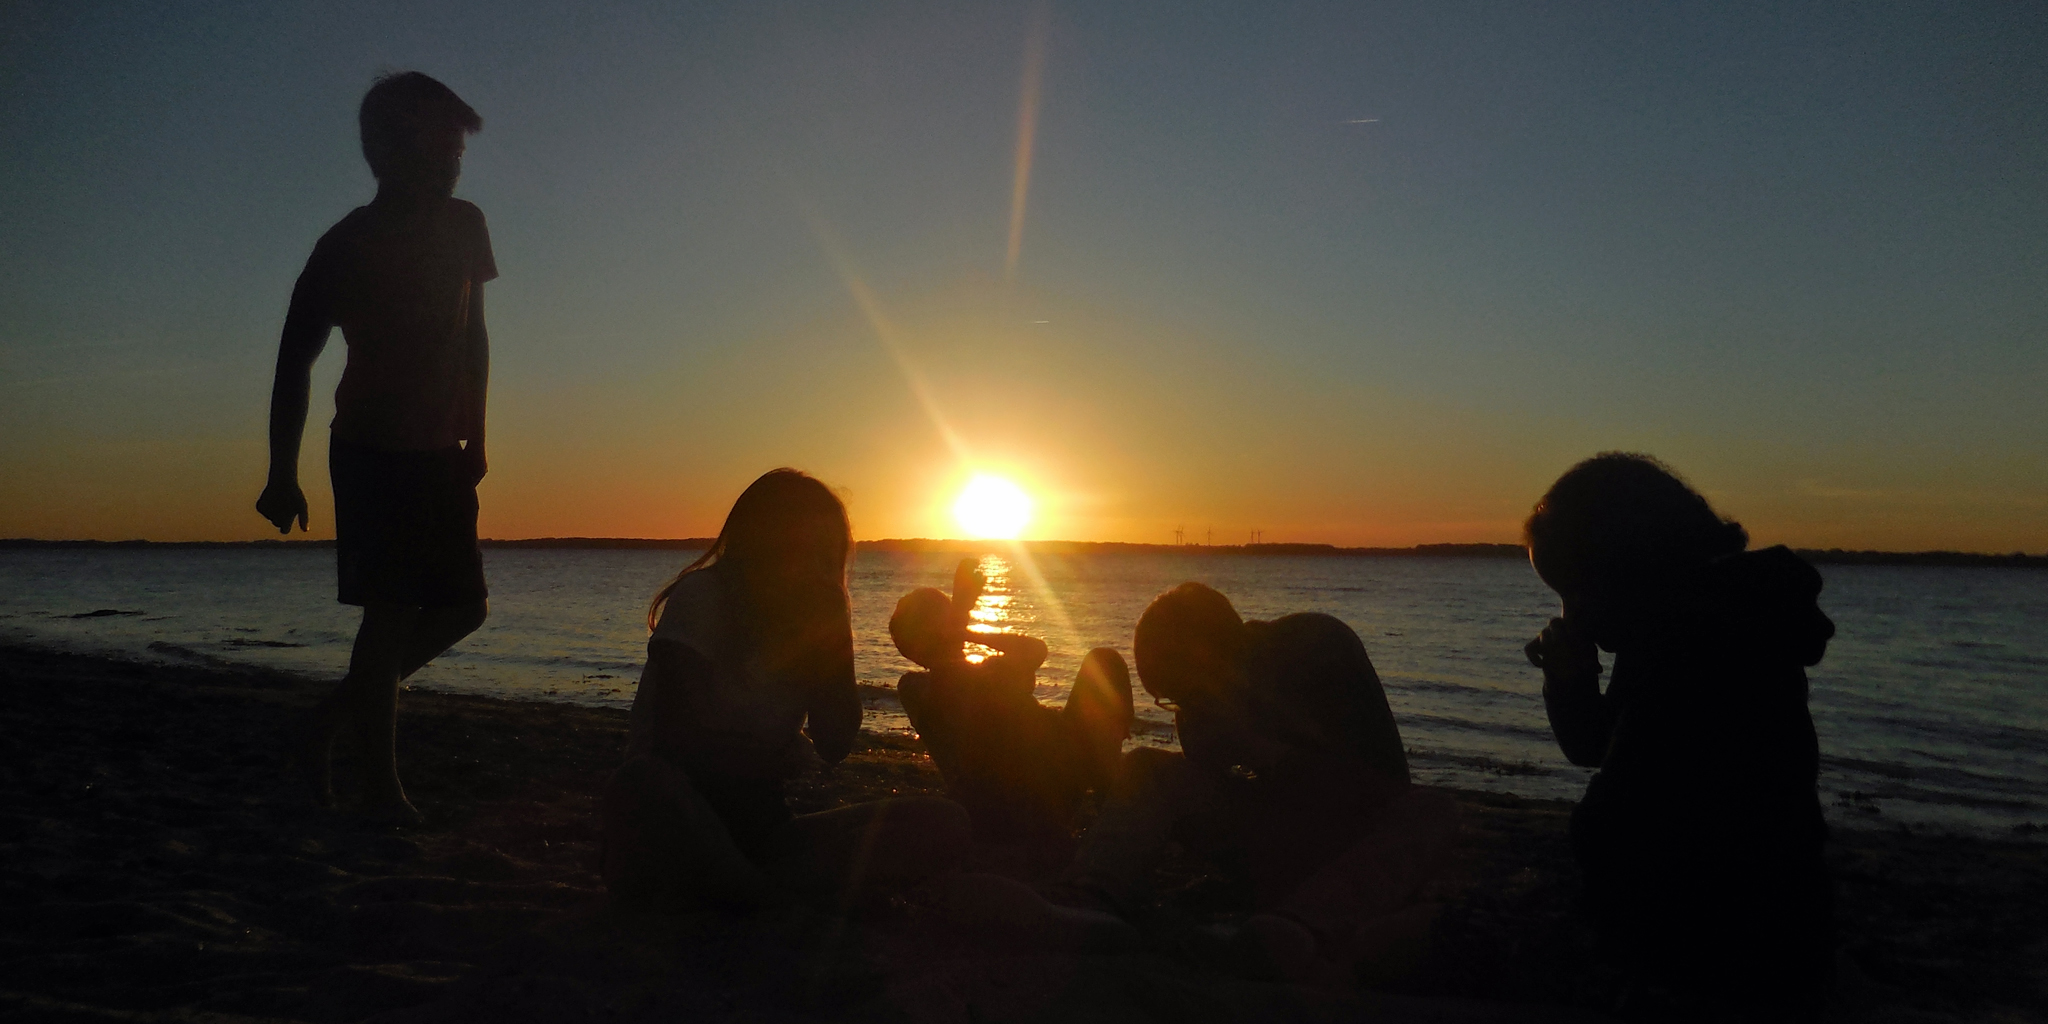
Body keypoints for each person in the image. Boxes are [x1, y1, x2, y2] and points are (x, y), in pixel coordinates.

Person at [259, 72, 497, 823]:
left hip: (440, 448)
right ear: (390, 150)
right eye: (443, 147)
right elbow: (294, 359)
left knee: (464, 610)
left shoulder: (466, 225)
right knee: (390, 614)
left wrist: (477, 430)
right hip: (370, 449)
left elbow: (476, 337)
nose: (455, 162)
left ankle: (322, 726)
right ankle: (383, 793)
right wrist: (281, 472)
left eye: (460, 150)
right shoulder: (346, 244)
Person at [1522, 453, 1835, 1018]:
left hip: (1726, 935)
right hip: (1775, 914)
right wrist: (1569, 678)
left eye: (1575, 588)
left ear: (1628, 564)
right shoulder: (1676, 619)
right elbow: (1598, 747)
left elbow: (1615, 823)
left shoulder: (1697, 641)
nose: (1570, 614)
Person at [601, 469, 971, 912]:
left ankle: (758, 894)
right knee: (642, 781)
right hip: (675, 824)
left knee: (943, 823)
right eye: (802, 548)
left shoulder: (812, 622)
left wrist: (835, 639)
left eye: (825, 554)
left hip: (763, 832)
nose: (813, 568)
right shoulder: (704, 596)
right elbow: (673, 739)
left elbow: (835, 743)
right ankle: (766, 898)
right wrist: (767, 756)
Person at [1057, 582, 1457, 987]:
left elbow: (1382, 789)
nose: (1183, 710)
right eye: (1171, 700)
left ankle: (1294, 929)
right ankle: (1090, 894)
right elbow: (1210, 789)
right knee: (1147, 767)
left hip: (1344, 838)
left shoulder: (1317, 646)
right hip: (1268, 837)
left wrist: (1260, 750)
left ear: (1215, 655)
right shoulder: (1207, 702)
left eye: (1185, 693)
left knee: (1434, 811)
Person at [891, 558, 1133, 858]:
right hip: (1010, 796)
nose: (951, 621)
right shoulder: (917, 688)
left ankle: (1105, 803)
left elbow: (1036, 650)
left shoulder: (984, 670)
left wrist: (967, 631)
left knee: (1105, 661)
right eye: (942, 618)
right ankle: (1096, 823)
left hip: (1058, 768)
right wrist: (960, 616)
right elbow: (952, 700)